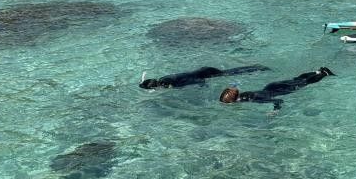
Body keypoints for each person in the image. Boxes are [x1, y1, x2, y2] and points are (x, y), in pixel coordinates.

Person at [220, 67, 335, 110]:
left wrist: (275, 111)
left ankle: (324, 74)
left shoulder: (252, 99)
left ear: (233, 101)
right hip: (272, 85)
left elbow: (278, 100)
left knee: (307, 82)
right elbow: (234, 87)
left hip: (279, 90)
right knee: (297, 79)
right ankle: (318, 71)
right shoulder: (244, 95)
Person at [139, 64, 269, 89]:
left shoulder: (170, 84)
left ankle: (258, 69)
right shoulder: (163, 79)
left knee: (233, 73)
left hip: (205, 73)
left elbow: (193, 81)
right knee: (230, 72)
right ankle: (257, 67)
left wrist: (202, 85)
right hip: (204, 70)